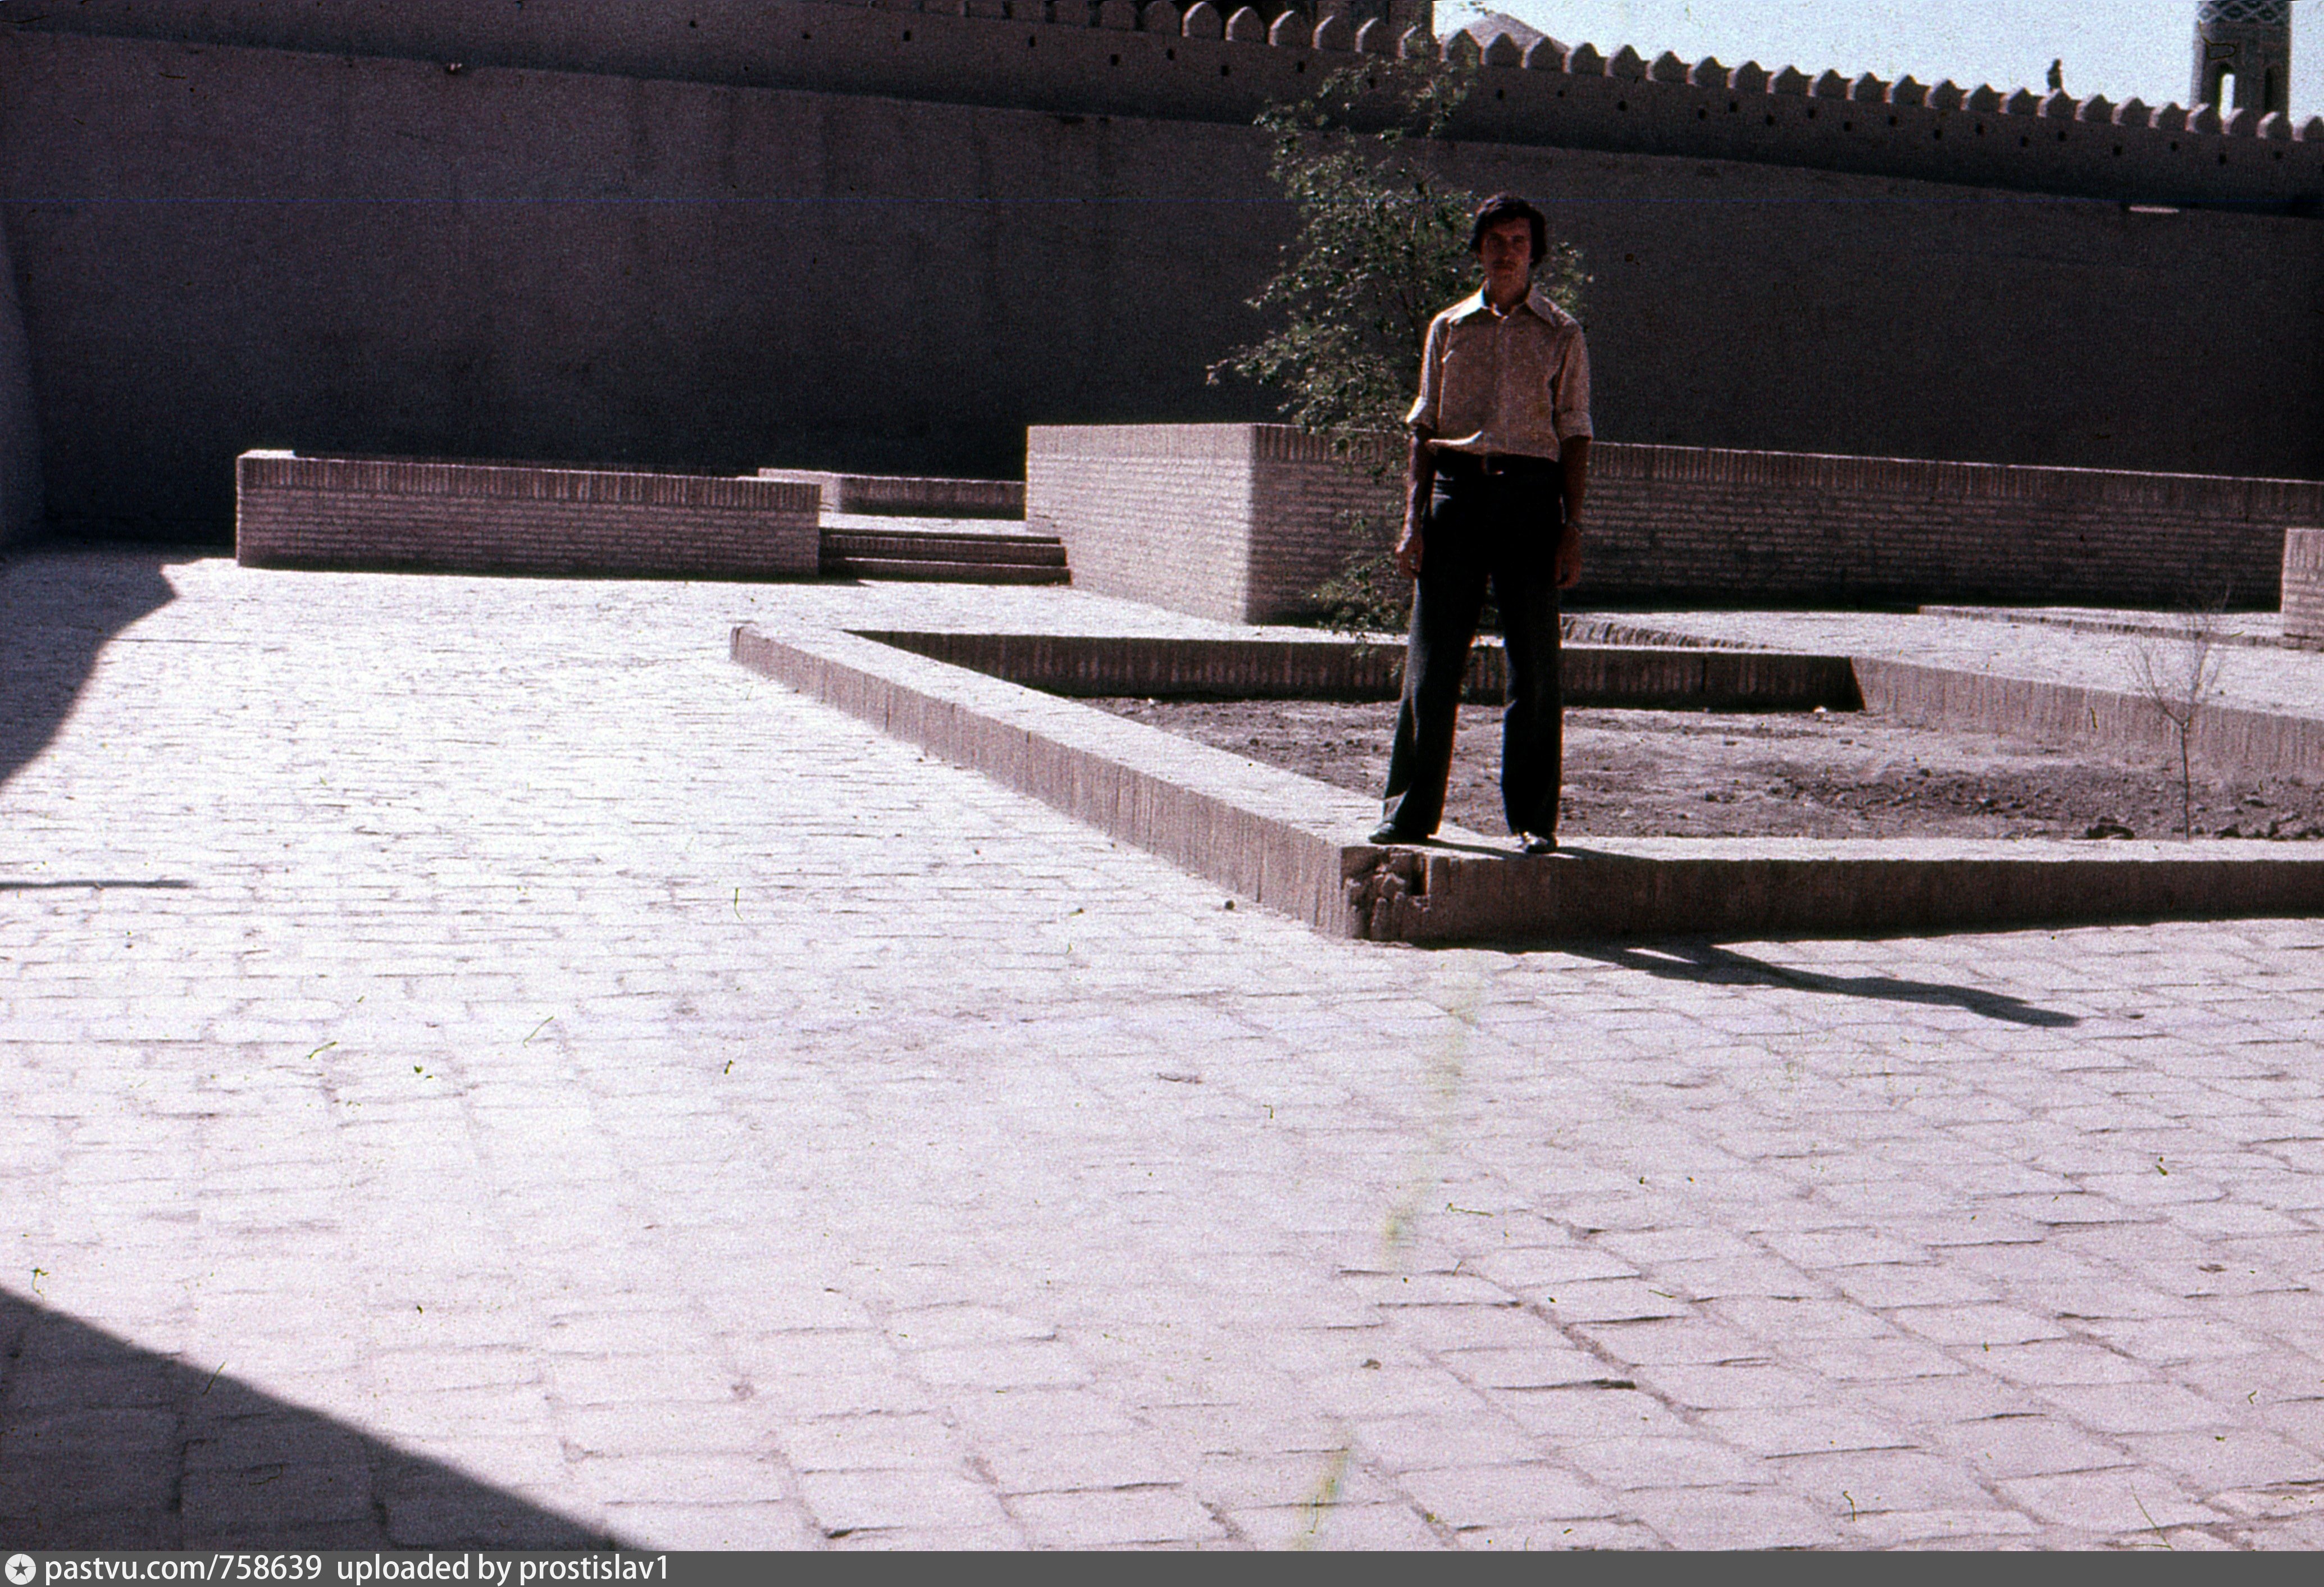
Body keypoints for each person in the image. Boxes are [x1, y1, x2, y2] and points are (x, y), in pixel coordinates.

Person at [1371, 193, 1592, 856]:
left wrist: (1572, 527)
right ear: (1477, 249)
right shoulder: (1448, 328)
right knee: (1432, 659)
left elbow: (1575, 433)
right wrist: (1413, 522)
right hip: (1457, 496)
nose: (1506, 252)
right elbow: (1423, 429)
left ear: (1535, 253)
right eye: (1495, 240)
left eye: (1519, 241)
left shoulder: (1561, 333)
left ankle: (1532, 820)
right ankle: (1409, 813)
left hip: (1530, 502)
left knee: (1535, 666)